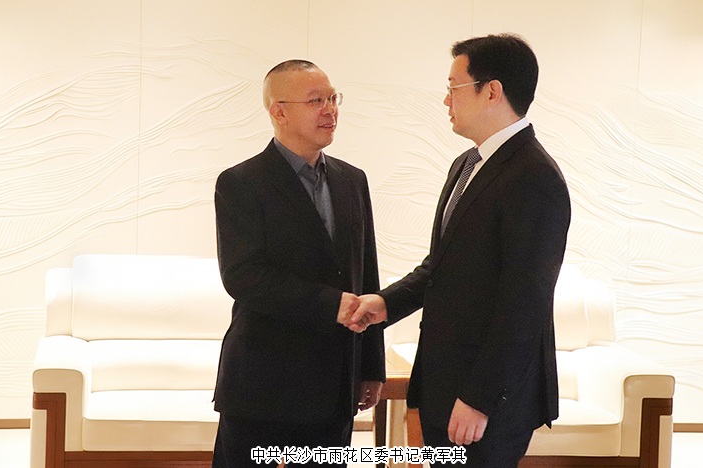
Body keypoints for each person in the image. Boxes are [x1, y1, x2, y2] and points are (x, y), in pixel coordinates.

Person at [347, 34, 571, 467]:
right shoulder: (467, 164)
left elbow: (525, 303)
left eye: (454, 88)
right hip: (445, 383)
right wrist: (386, 303)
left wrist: (480, 399)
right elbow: (443, 264)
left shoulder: (534, 177)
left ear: (492, 91)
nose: (446, 100)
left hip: (485, 400)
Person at [212, 59, 385, 468]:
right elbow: (243, 276)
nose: (330, 110)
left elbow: (367, 273)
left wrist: (370, 365)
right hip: (263, 383)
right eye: (315, 101)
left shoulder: (352, 179)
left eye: (333, 98)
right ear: (279, 111)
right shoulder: (241, 182)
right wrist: (331, 304)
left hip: (334, 384)